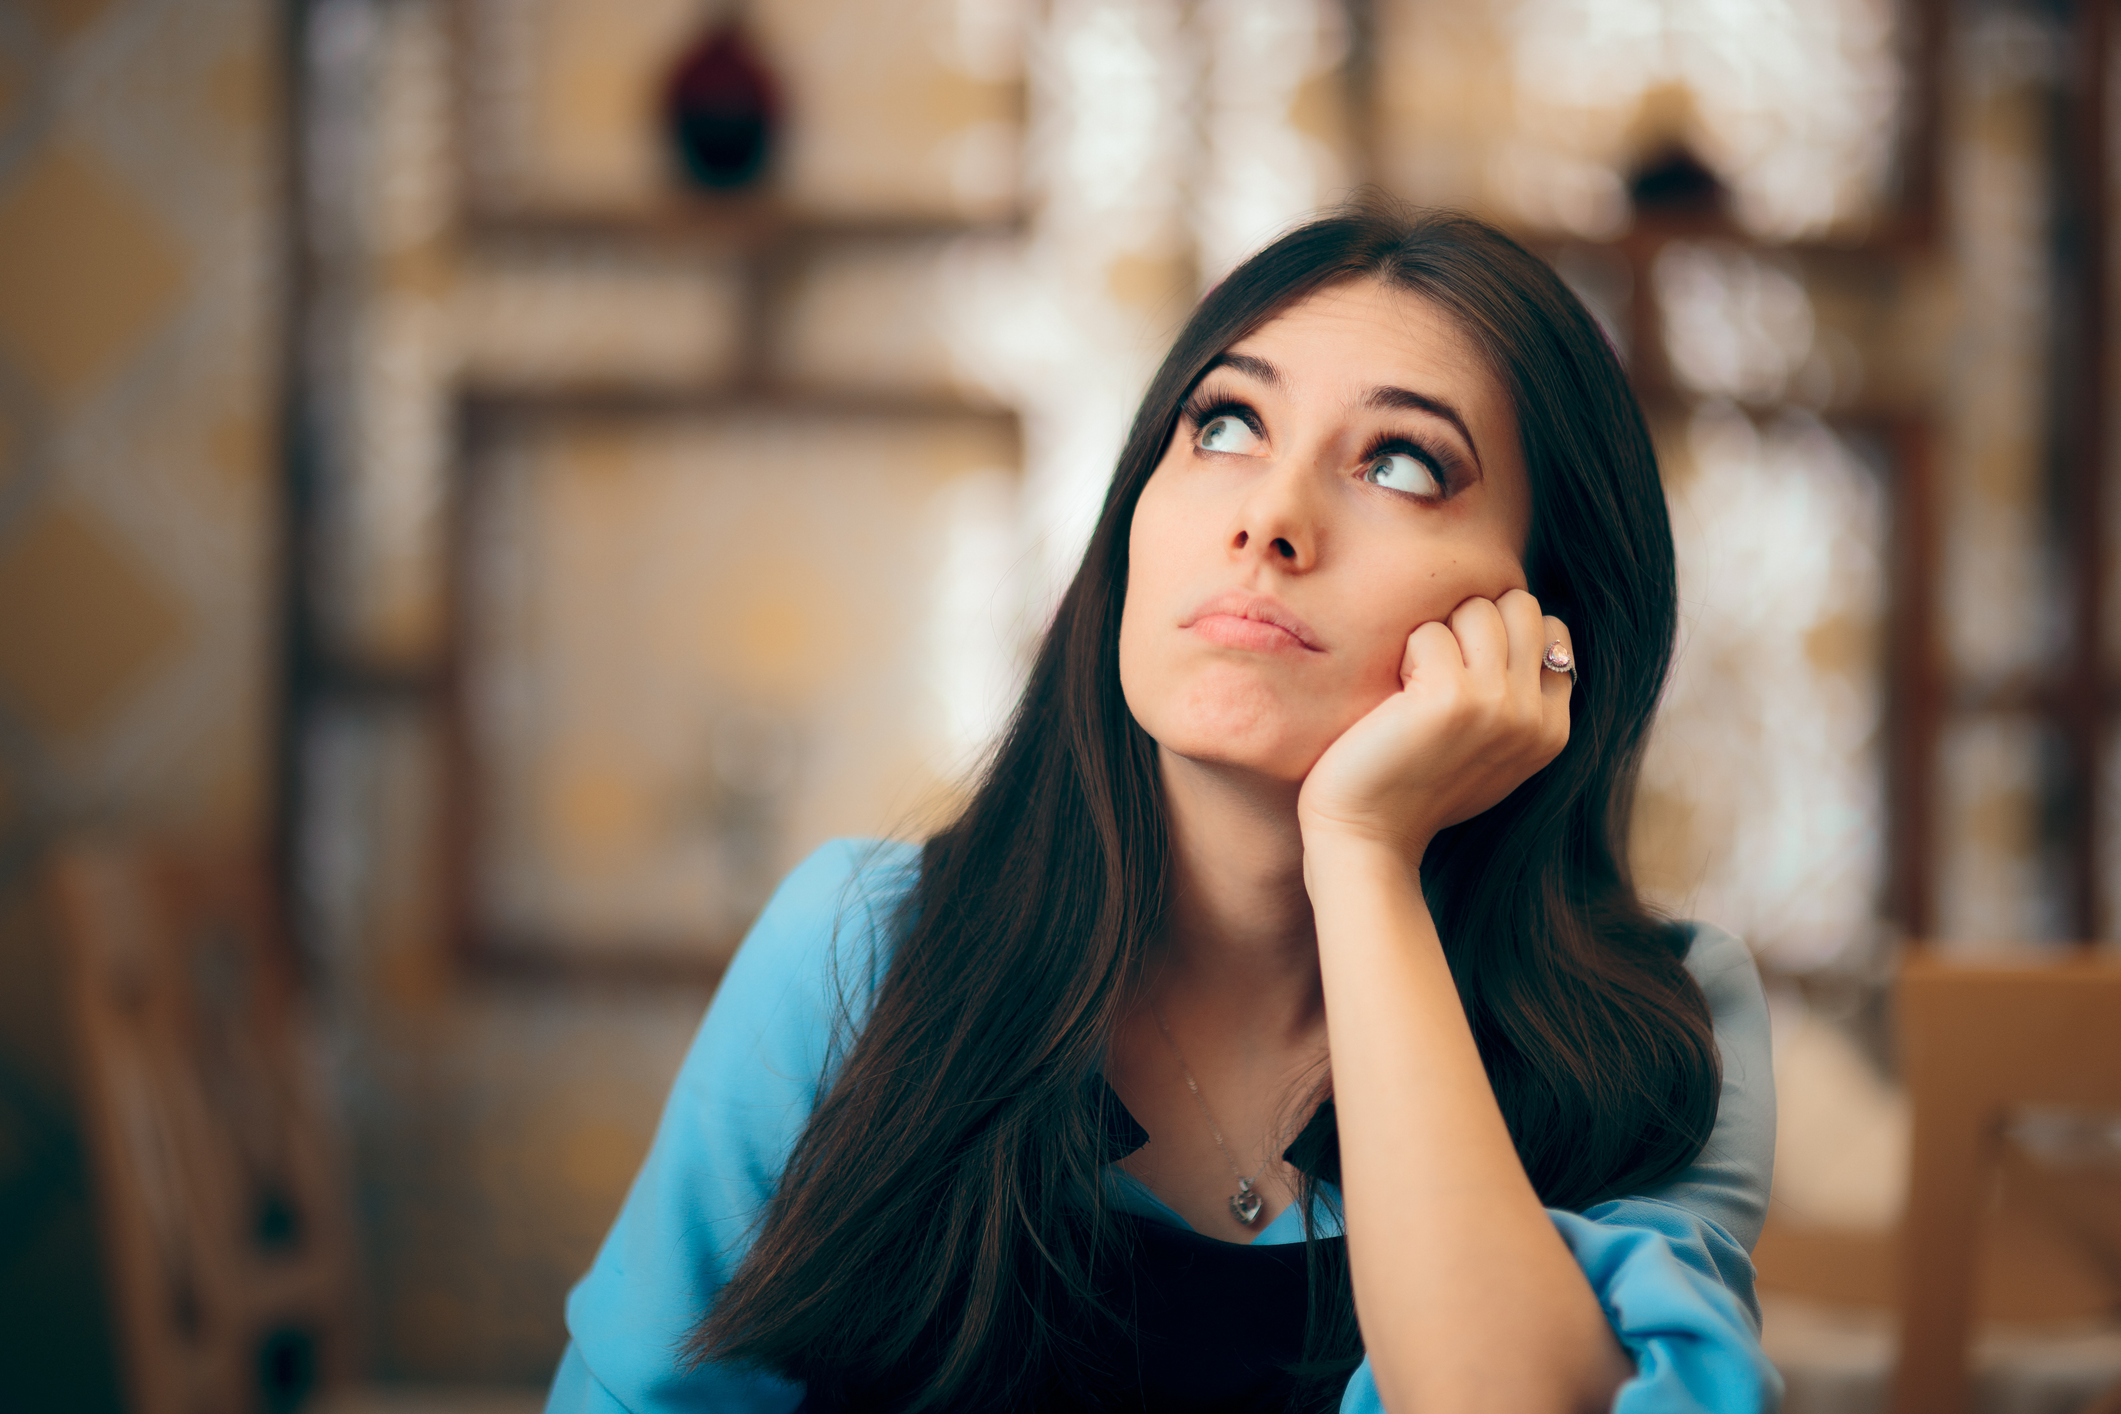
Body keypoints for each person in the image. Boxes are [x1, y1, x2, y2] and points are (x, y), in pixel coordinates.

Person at [545, 202, 1780, 1413]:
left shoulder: (1660, 1029)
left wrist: (1361, 857)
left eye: (1401, 463)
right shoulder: (865, 949)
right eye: (1227, 423)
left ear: (1546, 625)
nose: (1271, 518)